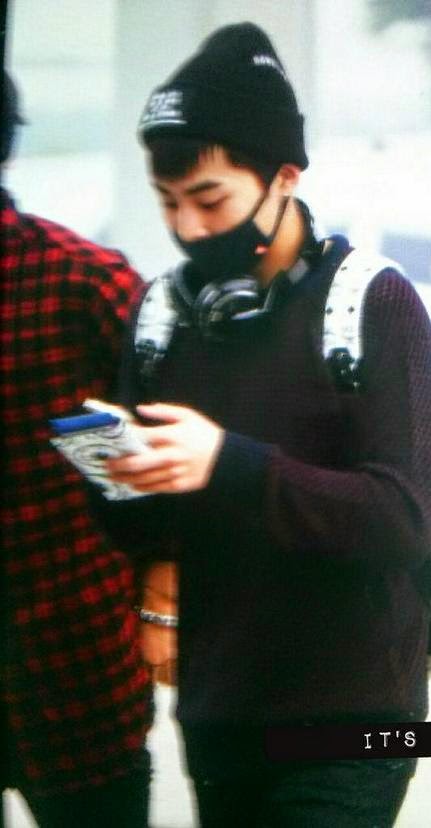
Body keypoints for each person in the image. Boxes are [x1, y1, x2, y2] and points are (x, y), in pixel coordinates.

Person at [98, 22, 431, 827]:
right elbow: (146, 531)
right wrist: (118, 476)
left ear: (285, 177)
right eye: (168, 204)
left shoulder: (374, 303)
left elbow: (402, 520)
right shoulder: (163, 317)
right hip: (221, 709)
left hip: (355, 711)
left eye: (209, 199)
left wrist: (228, 461)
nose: (187, 229)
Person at [0, 71, 153, 827]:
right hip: (80, 679)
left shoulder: (84, 281)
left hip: (76, 676)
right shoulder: (85, 277)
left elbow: (168, 460)